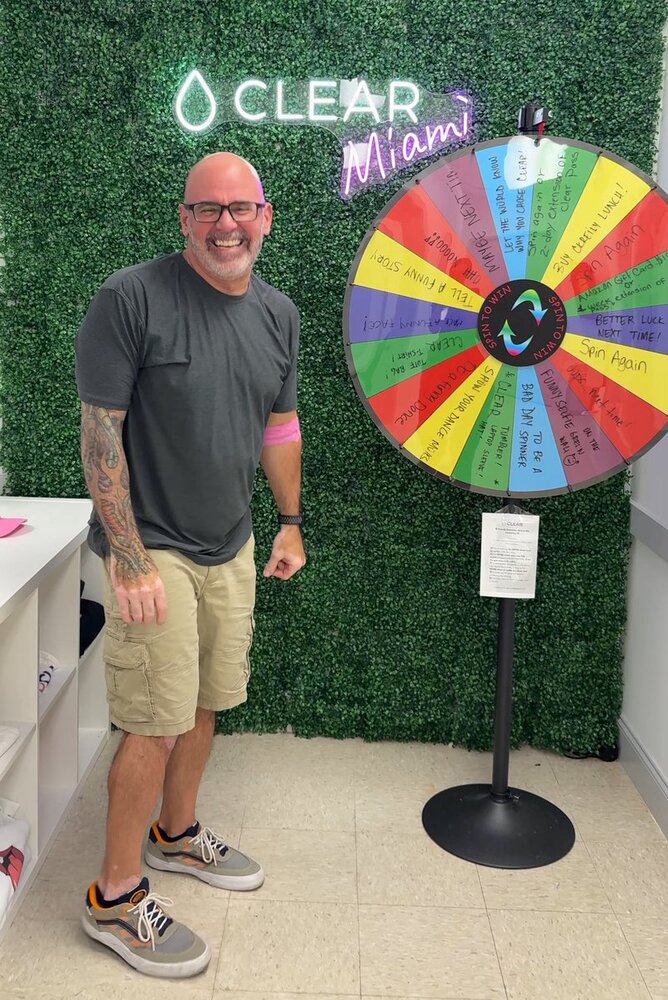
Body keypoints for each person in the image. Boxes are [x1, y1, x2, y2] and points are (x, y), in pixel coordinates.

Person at [75, 152, 306, 978]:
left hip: (232, 542)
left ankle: (174, 835)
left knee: (206, 701)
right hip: (155, 547)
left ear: (265, 218)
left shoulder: (278, 314)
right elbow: (100, 432)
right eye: (208, 209)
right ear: (185, 218)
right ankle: (115, 895)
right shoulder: (131, 297)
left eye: (241, 209)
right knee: (154, 720)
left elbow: (280, 426)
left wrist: (289, 522)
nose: (225, 224)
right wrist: (130, 557)